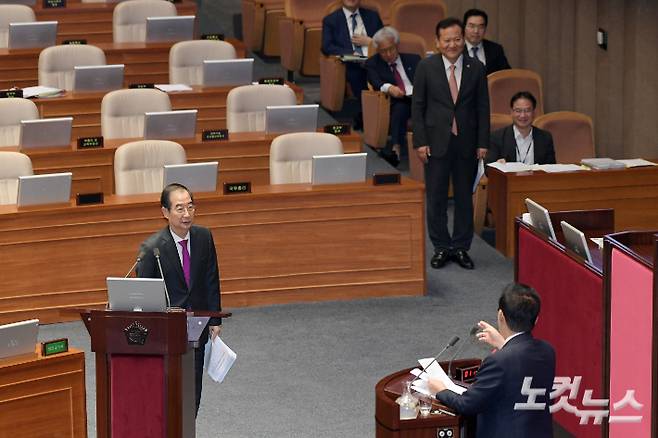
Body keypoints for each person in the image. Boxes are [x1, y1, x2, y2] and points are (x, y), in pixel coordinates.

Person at [136, 183, 222, 416]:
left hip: (198, 326)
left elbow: (211, 277)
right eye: (180, 208)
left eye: (190, 207)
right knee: (168, 393)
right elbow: (143, 295)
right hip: (166, 330)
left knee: (192, 393)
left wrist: (215, 319)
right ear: (165, 212)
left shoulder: (204, 237)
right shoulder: (151, 248)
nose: (187, 214)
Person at [411, 17, 490, 270]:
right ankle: (441, 247)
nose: (453, 44)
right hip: (436, 142)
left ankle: (460, 247)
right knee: (436, 198)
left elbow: (482, 108)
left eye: (457, 39)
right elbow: (418, 106)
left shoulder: (476, 67)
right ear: (437, 42)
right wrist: (420, 142)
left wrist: (482, 143)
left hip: (467, 143)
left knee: (465, 198)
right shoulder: (426, 66)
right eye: (447, 40)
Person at [429, 283, 555, 438]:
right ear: (536, 320)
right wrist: (504, 343)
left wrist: (441, 391)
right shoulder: (547, 350)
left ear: (501, 315)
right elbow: (520, 369)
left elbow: (467, 405)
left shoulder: (498, 361)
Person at [322, 0, 383, 129]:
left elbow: (385, 41)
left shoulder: (373, 16)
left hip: (374, 60)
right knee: (358, 74)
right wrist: (351, 54)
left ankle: (379, 117)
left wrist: (371, 42)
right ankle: (368, 117)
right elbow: (326, 46)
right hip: (351, 63)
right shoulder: (331, 20)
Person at [365, 26, 421, 167]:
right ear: (378, 50)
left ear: (397, 45)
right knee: (400, 108)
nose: (388, 54)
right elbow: (375, 82)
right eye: (383, 51)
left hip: (418, 99)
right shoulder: (372, 63)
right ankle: (396, 147)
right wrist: (389, 88)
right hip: (396, 100)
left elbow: (426, 80)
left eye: (391, 49)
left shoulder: (414, 60)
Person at [486, 91, 556, 165]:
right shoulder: (497, 137)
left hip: (536, 177)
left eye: (527, 110)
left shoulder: (545, 138)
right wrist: (497, 165)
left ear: (534, 113)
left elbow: (551, 168)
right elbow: (488, 168)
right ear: (511, 112)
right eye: (518, 111)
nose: (523, 115)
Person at [463, 8, 511, 75]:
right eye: (472, 26)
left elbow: (506, 74)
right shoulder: (457, 49)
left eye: (480, 27)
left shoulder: (495, 49)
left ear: (485, 29)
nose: (476, 31)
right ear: (464, 27)